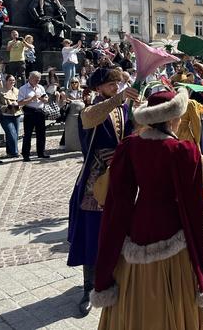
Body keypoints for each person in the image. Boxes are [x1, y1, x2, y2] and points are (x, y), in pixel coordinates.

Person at [90, 88, 203, 329]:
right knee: (176, 292)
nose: (179, 120)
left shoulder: (129, 146)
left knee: (132, 288)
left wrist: (110, 249)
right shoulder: (184, 151)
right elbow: (192, 206)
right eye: (178, 116)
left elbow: (118, 200)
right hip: (172, 227)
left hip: (138, 223)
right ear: (169, 119)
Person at [68, 68, 138, 316]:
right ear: (99, 88)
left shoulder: (123, 108)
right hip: (95, 181)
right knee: (91, 234)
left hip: (119, 177)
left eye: (118, 84)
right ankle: (89, 288)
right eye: (111, 85)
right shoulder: (91, 107)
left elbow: (131, 134)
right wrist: (118, 98)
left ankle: (114, 277)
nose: (116, 87)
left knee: (120, 229)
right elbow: (89, 119)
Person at [18, 71, 50, 162]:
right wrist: (31, 99)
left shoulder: (40, 87)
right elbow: (20, 102)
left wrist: (42, 99)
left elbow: (46, 99)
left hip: (40, 112)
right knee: (28, 134)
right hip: (29, 112)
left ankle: (41, 152)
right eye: (36, 79)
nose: (37, 81)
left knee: (41, 134)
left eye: (38, 79)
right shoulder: (23, 88)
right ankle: (26, 154)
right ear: (30, 78)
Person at [0, 75, 22, 158]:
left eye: (13, 80)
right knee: (12, 133)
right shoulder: (0, 91)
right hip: (5, 115)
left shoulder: (17, 91)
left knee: (14, 133)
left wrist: (18, 105)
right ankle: (15, 152)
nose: (12, 82)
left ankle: (10, 152)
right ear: (6, 81)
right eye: (10, 80)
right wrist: (7, 107)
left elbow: (22, 102)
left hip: (16, 114)